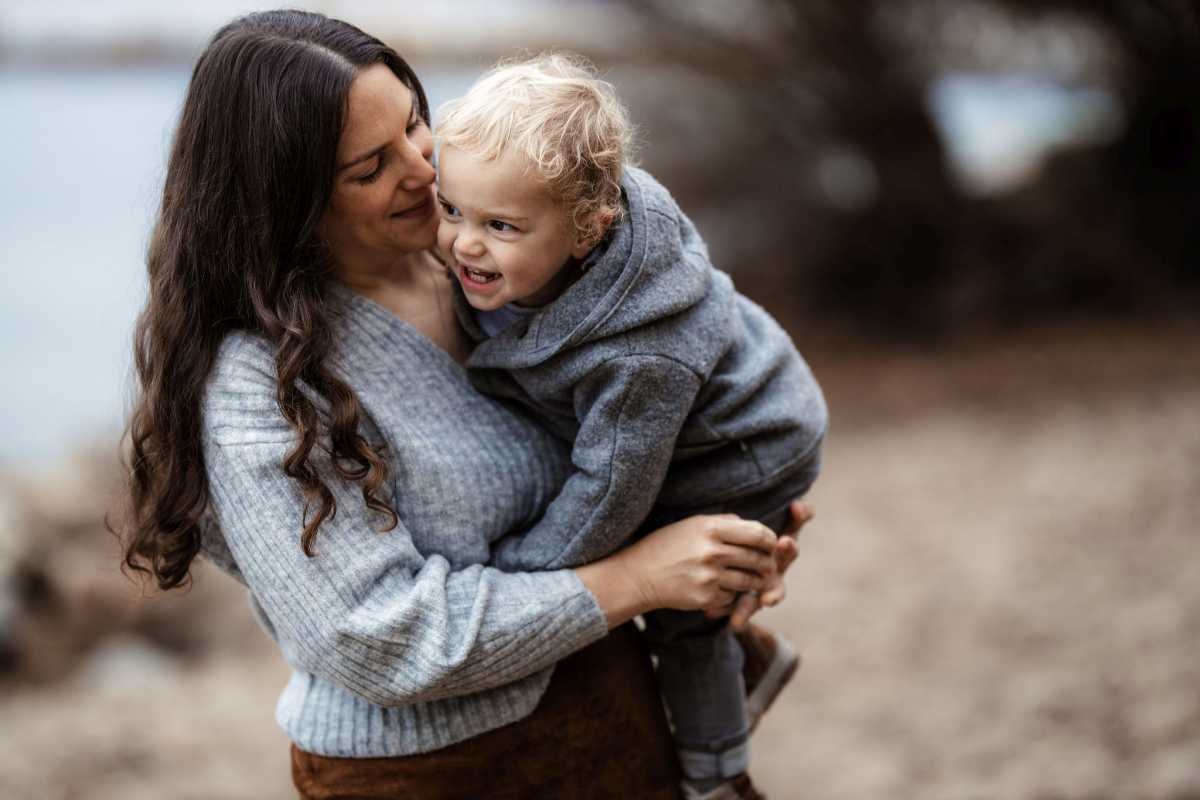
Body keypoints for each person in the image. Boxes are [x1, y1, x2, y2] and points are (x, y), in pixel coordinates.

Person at [117, 10, 811, 800]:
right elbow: (375, 638)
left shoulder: (497, 263)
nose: (422, 170)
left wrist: (729, 534)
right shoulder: (259, 382)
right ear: (283, 200)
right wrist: (640, 580)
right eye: (371, 166)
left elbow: (631, 423)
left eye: (417, 124)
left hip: (616, 714)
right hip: (430, 772)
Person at [434, 53, 828, 800]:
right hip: (694, 416)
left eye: (499, 225)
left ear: (590, 230)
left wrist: (524, 572)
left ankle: (716, 769)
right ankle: (756, 661)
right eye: (451, 210)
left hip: (747, 443)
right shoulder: (541, 235)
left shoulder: (642, 355)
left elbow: (611, 490)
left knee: (687, 613)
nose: (463, 243)